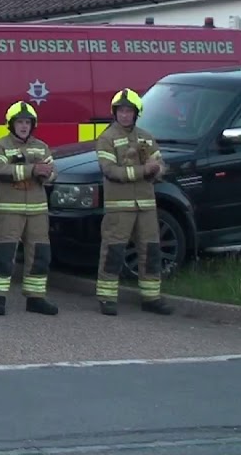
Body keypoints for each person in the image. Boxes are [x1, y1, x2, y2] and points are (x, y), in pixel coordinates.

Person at [94, 88, 174, 317]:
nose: (125, 115)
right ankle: (107, 298)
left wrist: (156, 169)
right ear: (115, 113)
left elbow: (159, 165)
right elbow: (110, 171)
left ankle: (151, 298)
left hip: (146, 206)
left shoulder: (146, 137)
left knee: (151, 251)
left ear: (136, 113)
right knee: (113, 252)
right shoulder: (107, 138)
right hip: (119, 208)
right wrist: (143, 170)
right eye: (121, 111)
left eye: (129, 111)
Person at [0, 101, 59, 316]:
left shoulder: (41, 146)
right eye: (20, 122)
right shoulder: (0, 146)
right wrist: (32, 170)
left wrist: (47, 174)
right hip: (8, 210)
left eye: (27, 122)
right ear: (11, 124)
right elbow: (0, 170)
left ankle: (35, 298)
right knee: (4, 253)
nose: (24, 126)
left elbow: (53, 172)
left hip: (37, 210)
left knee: (40, 254)